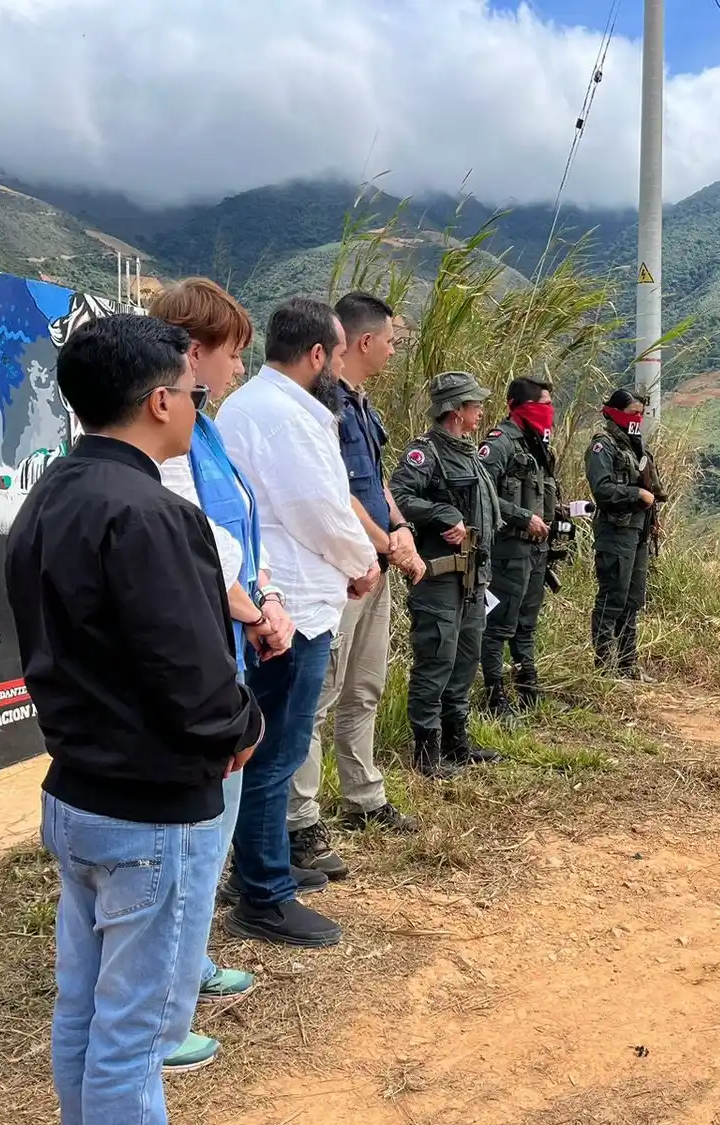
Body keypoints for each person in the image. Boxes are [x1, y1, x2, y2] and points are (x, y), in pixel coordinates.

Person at [5, 314, 264, 1124]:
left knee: (83, 1011)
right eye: (194, 394)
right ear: (160, 400)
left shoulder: (49, 492)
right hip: (150, 810)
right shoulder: (152, 513)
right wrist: (243, 726)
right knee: (136, 1035)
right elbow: (193, 677)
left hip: (77, 793)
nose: (199, 406)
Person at [148, 278, 303, 1071]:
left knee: (211, 832)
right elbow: (193, 544)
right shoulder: (158, 447)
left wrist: (264, 594)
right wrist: (253, 606)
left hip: (231, 641)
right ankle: (164, 1009)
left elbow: (241, 525)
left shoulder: (203, 432)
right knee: (191, 837)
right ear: (191, 352)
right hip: (204, 651)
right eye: (232, 351)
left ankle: (190, 960)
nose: (239, 366)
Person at [216, 297, 379, 946]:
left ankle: (263, 867)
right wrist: (363, 559)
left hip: (288, 596)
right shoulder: (284, 417)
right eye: (337, 355)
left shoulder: (261, 406)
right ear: (317, 355)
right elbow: (320, 507)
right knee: (276, 749)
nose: (339, 366)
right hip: (295, 605)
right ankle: (261, 894)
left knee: (275, 746)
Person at [287, 292, 423, 863]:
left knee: (364, 685)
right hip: (342, 571)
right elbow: (333, 494)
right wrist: (381, 541)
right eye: (390, 340)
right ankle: (300, 819)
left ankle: (363, 795)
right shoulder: (322, 406)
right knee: (319, 695)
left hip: (375, 561)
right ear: (364, 342)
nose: (393, 350)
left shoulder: (360, 405)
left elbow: (372, 482)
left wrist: (399, 526)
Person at [390, 371, 504, 775]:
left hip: (474, 577)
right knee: (436, 658)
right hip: (440, 579)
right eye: (475, 405)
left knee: (466, 657)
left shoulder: (468, 452)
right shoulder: (426, 454)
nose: (481, 412)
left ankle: (458, 741)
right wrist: (441, 513)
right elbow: (398, 496)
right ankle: (426, 752)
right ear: (455, 411)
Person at [479, 375, 561, 714]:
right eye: (541, 405)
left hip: (537, 551)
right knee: (499, 624)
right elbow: (483, 494)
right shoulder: (500, 443)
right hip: (508, 549)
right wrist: (521, 516)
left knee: (527, 623)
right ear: (520, 407)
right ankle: (495, 696)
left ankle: (528, 688)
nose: (548, 412)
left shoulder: (537, 446)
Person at [585, 388, 665, 677]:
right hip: (616, 532)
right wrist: (637, 494)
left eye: (641, 414)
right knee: (612, 598)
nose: (638, 419)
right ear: (615, 412)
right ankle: (605, 669)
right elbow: (602, 489)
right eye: (633, 413)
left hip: (638, 532)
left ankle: (628, 665)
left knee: (632, 600)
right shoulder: (602, 445)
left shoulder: (635, 445)